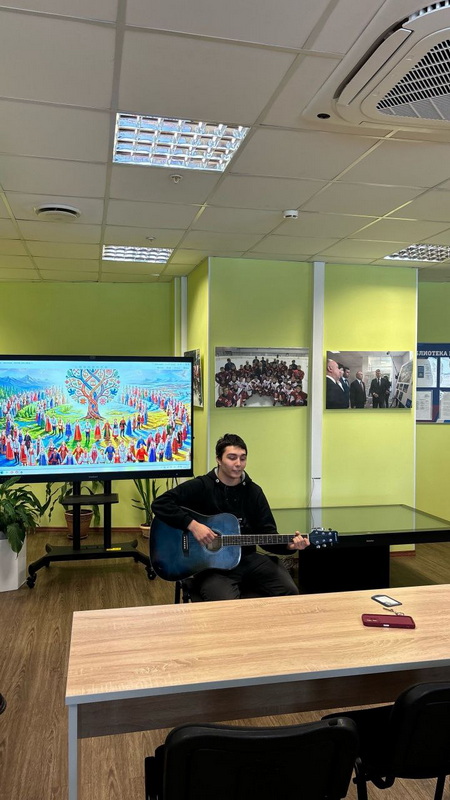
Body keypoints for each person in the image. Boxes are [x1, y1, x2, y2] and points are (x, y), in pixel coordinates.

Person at [151, 433, 310, 601]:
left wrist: (289, 546)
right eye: (232, 458)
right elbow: (160, 504)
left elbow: (267, 533)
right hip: (212, 567)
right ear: (218, 459)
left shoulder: (254, 492)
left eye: (243, 458)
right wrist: (193, 525)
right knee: (226, 605)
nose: (238, 463)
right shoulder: (202, 486)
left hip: (249, 560)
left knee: (290, 592)